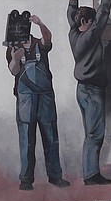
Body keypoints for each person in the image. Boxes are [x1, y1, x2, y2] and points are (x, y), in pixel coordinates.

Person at [6, 14, 69, 190]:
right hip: (25, 98)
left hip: (45, 97)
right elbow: (13, 71)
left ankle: (55, 176)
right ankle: (26, 179)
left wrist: (40, 23)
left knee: (51, 137)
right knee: (26, 138)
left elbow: (47, 39)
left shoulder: (38, 43)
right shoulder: (13, 47)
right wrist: (15, 58)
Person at [66, 0, 111, 185]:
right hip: (93, 91)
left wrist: (73, 0)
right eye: (91, 21)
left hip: (82, 90)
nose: (94, 24)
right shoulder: (89, 36)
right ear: (86, 23)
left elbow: (71, 18)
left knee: (90, 132)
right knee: (95, 134)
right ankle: (91, 175)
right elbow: (103, 16)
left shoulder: (73, 32)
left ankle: (90, 172)